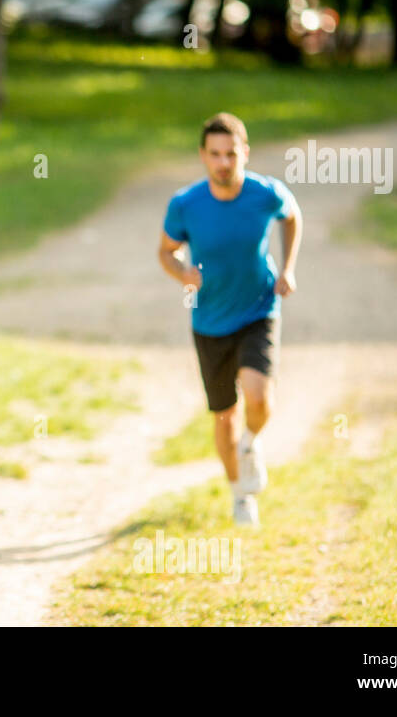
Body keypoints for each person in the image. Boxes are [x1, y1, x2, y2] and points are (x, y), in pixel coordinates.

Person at [156, 112, 303, 527]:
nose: (224, 163)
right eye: (215, 154)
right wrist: (182, 272)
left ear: (245, 154)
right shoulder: (185, 204)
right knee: (224, 416)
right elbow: (165, 252)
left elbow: (292, 217)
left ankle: (251, 443)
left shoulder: (264, 194)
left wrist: (288, 267)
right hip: (210, 321)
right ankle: (241, 495)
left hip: (259, 308)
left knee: (259, 399)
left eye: (231, 154)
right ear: (203, 156)